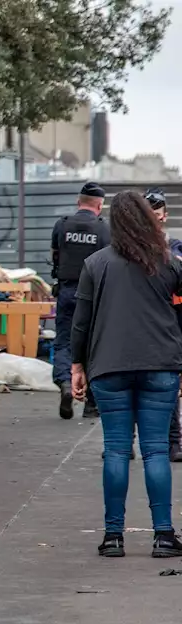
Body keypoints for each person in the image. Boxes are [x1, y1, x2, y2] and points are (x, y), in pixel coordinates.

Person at [71, 191, 182, 558]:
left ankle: (113, 537)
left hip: (109, 366)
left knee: (116, 451)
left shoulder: (95, 264)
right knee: (155, 452)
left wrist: (77, 365)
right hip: (160, 365)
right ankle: (164, 537)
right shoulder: (169, 262)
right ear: (150, 219)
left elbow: (81, 323)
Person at [52, 182, 109, 420]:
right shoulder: (103, 229)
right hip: (94, 295)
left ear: (79, 202)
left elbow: (56, 256)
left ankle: (66, 383)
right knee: (95, 345)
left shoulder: (62, 225)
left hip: (66, 291)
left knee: (65, 341)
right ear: (99, 204)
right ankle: (92, 404)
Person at [146, 188, 182, 462]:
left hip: (170, 324)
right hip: (142, 323)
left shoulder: (176, 249)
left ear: (164, 217)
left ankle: (174, 443)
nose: (154, 221)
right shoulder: (130, 250)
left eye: (157, 215)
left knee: (168, 385)